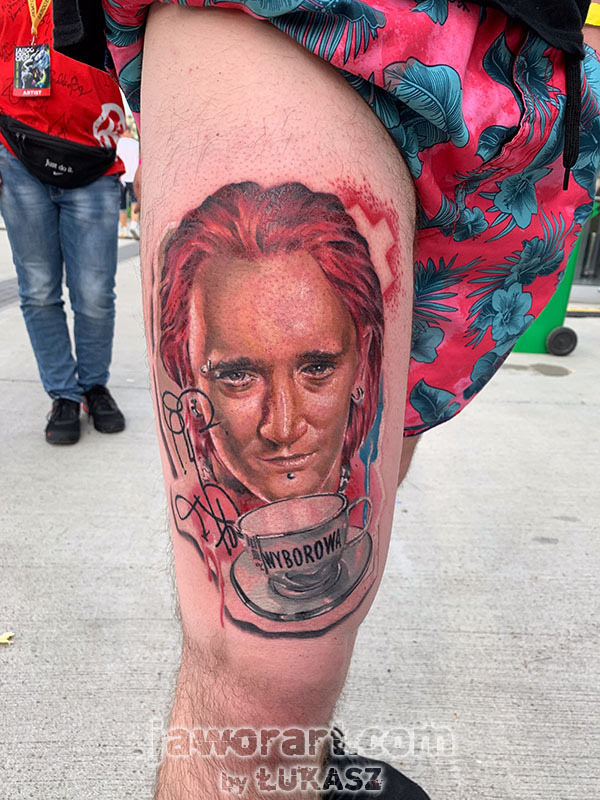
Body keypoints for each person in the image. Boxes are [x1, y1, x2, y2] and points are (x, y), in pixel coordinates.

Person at [51, 1, 600, 798]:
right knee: (263, 691)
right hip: (293, 17)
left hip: (525, 85)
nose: (283, 429)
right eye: (237, 375)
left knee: (372, 484)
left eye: (317, 368)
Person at [0, 0, 126, 446]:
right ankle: (64, 395)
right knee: (38, 289)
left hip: (92, 154)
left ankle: (94, 386)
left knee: (94, 293)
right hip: (16, 152)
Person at [117, 126, 140, 238]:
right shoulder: (136, 144)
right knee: (135, 200)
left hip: (121, 177)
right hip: (133, 176)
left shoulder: (117, 143)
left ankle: (123, 228)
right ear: (129, 132)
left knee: (122, 203)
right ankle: (134, 224)